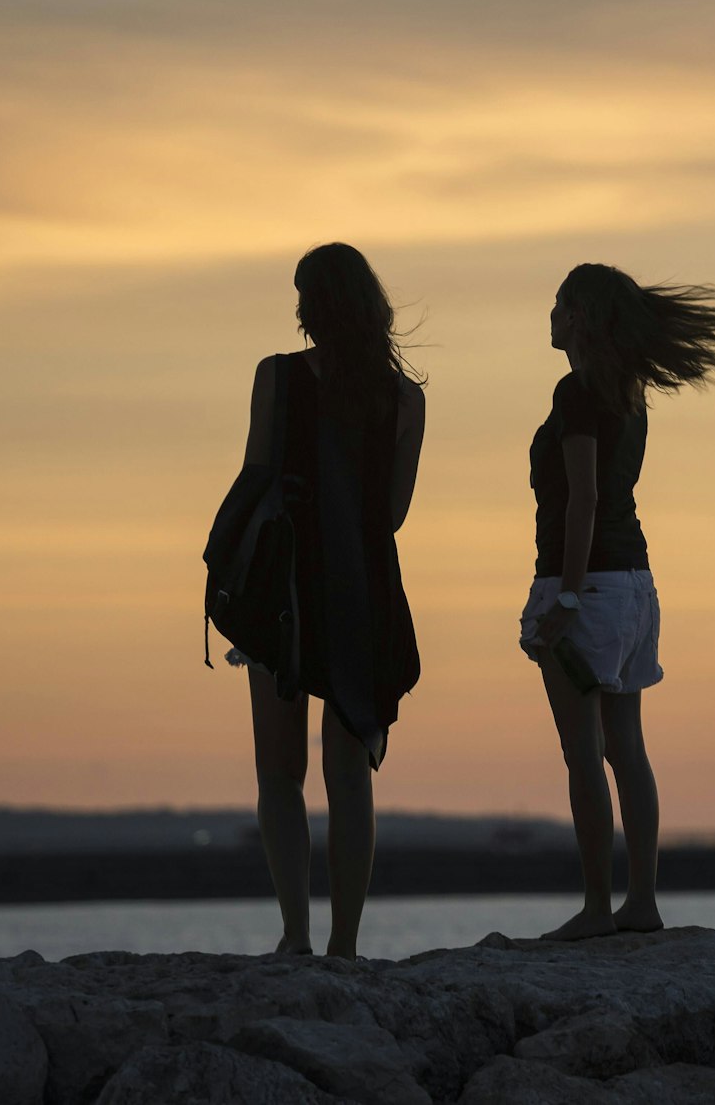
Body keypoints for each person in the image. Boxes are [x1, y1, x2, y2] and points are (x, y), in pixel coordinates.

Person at [520, 262, 715, 941]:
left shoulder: (578, 393)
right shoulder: (629, 391)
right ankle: (640, 901)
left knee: (583, 753)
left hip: (587, 587)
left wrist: (563, 591)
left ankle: (595, 908)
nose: (550, 314)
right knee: (627, 748)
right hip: (635, 586)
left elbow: (584, 496)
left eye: (560, 303)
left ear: (583, 316)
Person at [226, 242, 425, 958]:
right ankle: (346, 944)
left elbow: (256, 475)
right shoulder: (404, 398)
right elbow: (394, 512)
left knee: (279, 774)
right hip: (363, 589)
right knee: (350, 774)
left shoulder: (277, 377)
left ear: (313, 304)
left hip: (286, 590)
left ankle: (295, 936)